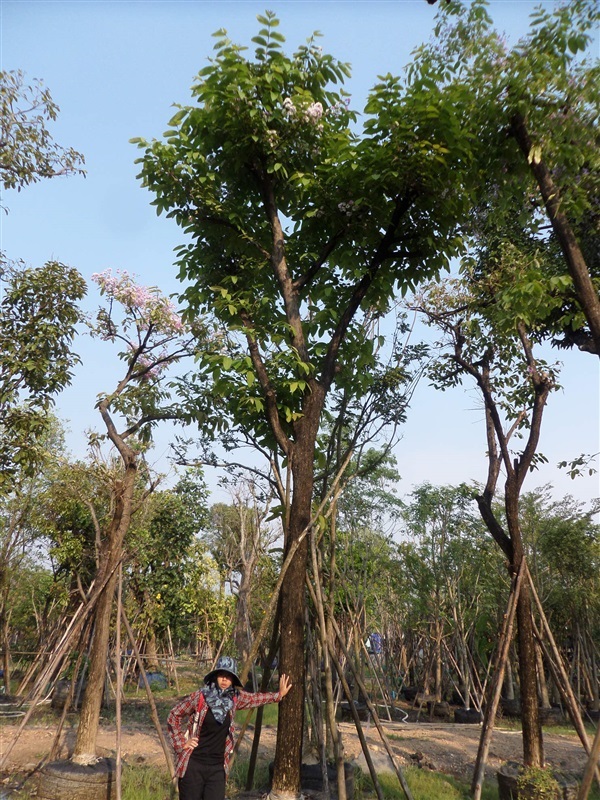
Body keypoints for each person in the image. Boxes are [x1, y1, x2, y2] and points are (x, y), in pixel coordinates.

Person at [167, 655, 292, 800]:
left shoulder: (234, 698)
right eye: (221, 675)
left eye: (228, 676)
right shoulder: (200, 697)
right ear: (215, 676)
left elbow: (254, 699)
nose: (224, 679)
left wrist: (279, 695)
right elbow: (174, 715)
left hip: (217, 768)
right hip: (193, 765)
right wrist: (181, 744)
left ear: (233, 679)